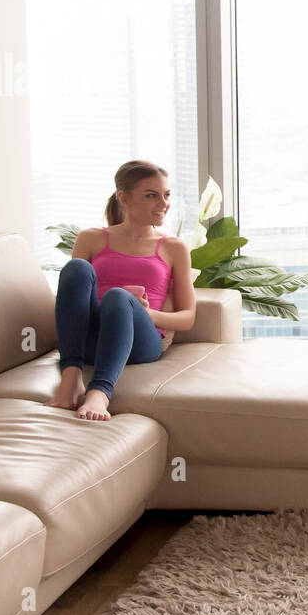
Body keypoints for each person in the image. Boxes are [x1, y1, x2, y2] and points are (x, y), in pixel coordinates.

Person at [46, 160, 196, 421]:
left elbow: (188, 317)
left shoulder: (173, 247)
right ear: (123, 198)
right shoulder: (91, 238)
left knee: (119, 296)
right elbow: (75, 298)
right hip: (91, 339)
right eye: (152, 195)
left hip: (141, 341)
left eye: (166, 195)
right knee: (77, 268)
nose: (163, 203)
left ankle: (100, 393)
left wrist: (149, 315)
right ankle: (70, 378)